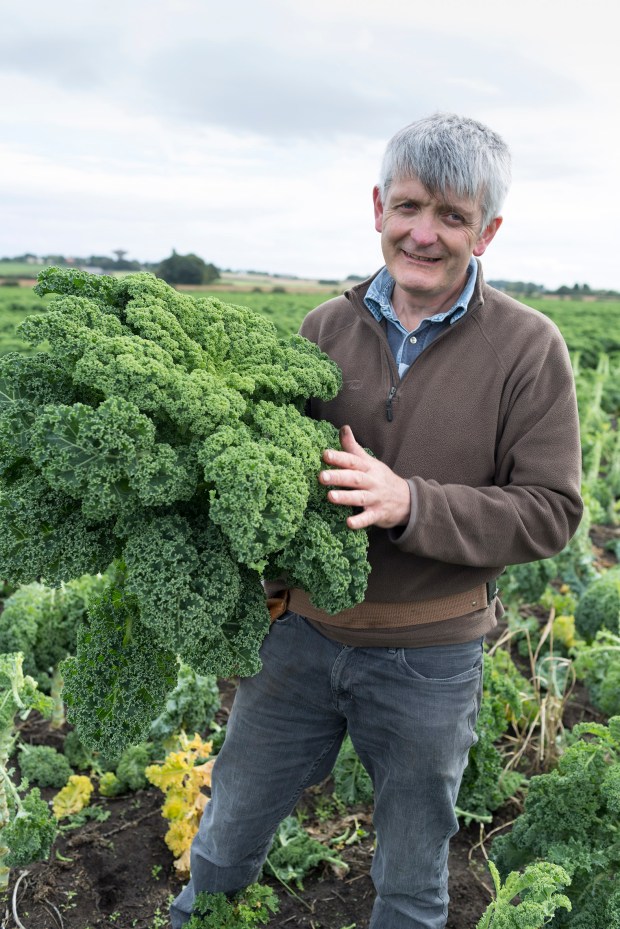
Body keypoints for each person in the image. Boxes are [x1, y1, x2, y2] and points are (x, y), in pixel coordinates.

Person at [170, 112, 583, 929]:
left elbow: (552, 511)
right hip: (299, 639)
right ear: (377, 207)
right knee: (226, 834)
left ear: (487, 229)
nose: (423, 234)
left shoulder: (530, 349)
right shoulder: (324, 326)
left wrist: (412, 502)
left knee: (411, 875)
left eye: (452, 216)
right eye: (408, 208)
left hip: (428, 659)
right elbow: (265, 464)